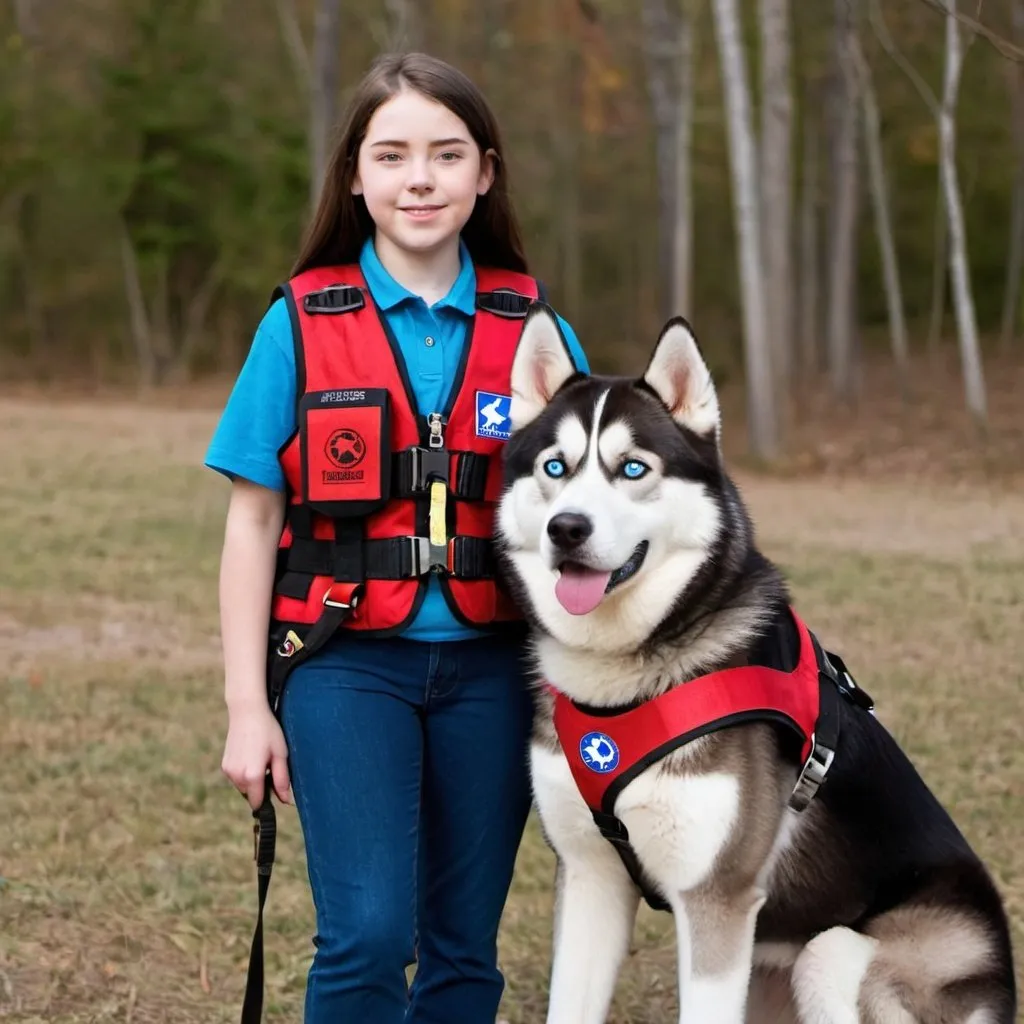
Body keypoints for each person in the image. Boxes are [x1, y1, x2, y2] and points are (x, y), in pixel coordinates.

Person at [205, 52, 588, 1024]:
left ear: (485, 172)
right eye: (393, 155)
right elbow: (252, 525)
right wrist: (248, 707)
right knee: (368, 935)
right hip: (344, 665)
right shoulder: (298, 321)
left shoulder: (536, 328)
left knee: (465, 947)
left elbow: (593, 522)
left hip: (496, 674)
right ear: (355, 176)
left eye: (446, 154)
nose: (420, 178)